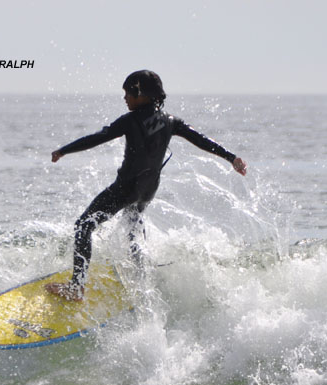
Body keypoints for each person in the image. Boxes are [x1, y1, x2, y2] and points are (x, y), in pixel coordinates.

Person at [45, 70, 248, 301]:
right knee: (132, 232)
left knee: (84, 226)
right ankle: (142, 281)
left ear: (141, 93)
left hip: (126, 189)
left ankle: (76, 287)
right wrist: (232, 158)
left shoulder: (130, 121)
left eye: (128, 93)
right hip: (148, 190)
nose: (125, 98)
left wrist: (63, 150)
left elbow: (97, 137)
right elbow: (201, 139)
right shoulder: (170, 121)